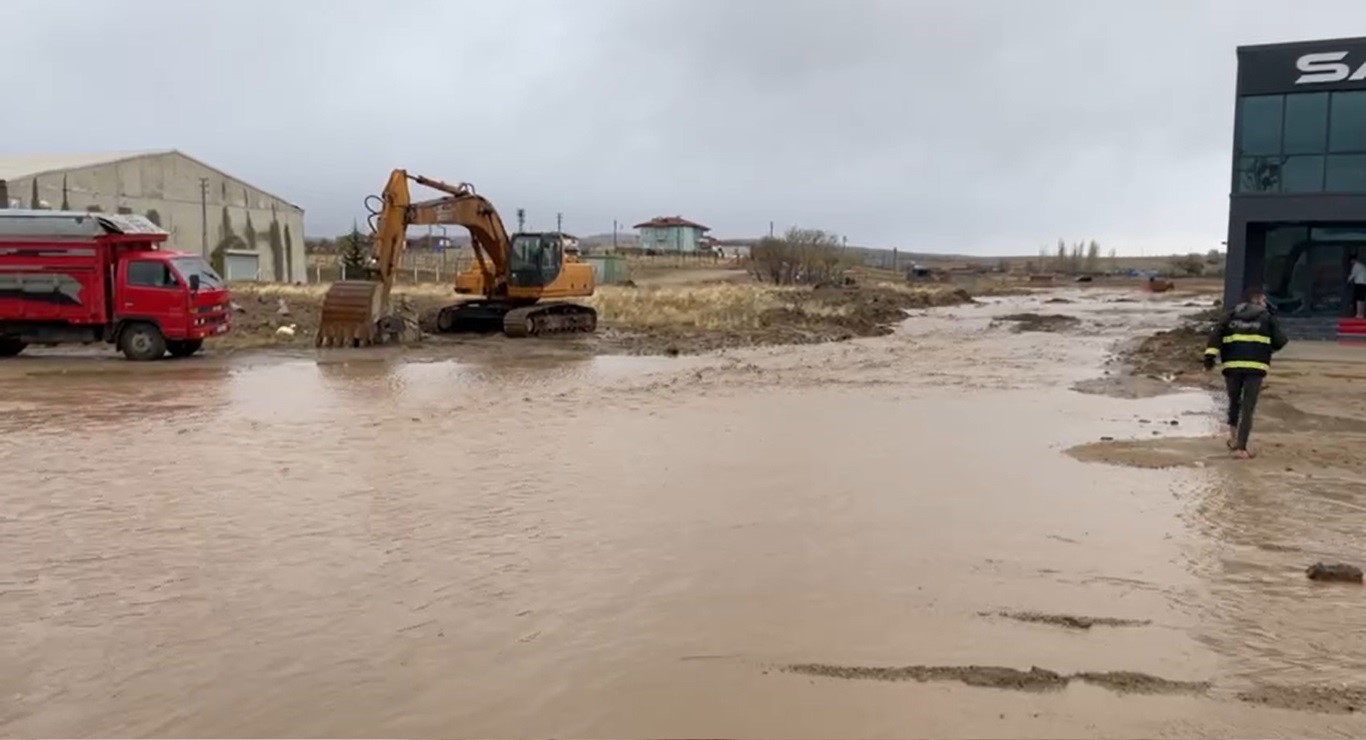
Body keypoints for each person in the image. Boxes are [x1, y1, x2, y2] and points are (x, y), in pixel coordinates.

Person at [1204, 287, 1289, 459]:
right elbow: (1281, 341)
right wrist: (1266, 348)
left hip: (1232, 367)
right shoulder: (1266, 317)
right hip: (1255, 367)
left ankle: (1233, 436)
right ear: (1258, 301)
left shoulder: (1229, 316)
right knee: (1248, 407)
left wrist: (1209, 359)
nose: (1266, 304)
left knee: (1234, 402)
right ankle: (1241, 448)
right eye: (1264, 301)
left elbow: (1215, 338)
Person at [1349, 254, 1366, 319]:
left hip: (1359, 283)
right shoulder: (1363, 266)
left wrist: (1348, 280)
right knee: (1362, 299)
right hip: (1364, 283)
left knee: (1358, 299)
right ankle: (1362, 313)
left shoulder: (1356, 266)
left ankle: (1359, 314)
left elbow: (1353, 274)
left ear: (1353, 260)